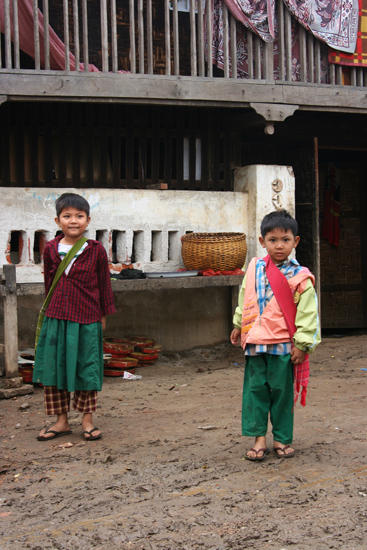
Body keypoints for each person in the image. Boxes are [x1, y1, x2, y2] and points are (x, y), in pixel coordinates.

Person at [230, 210, 320, 461]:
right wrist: (238, 323)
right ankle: (258, 438)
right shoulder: (254, 268)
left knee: (282, 394)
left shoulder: (301, 276)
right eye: (272, 240)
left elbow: (308, 313)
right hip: (255, 344)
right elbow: (244, 296)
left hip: (283, 346)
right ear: (262, 242)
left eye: (285, 239)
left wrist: (303, 344)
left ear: (296, 241)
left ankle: (281, 438)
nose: (279, 245)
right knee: (255, 392)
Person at [33, 193, 116, 441]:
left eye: (79, 216)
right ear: (57, 221)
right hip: (57, 316)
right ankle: (61, 421)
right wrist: (50, 312)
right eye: (67, 216)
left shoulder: (96, 250)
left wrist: (103, 315)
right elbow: (49, 283)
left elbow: (104, 284)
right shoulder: (49, 249)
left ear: (87, 220)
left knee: (86, 367)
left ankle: (87, 421)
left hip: (87, 317)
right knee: (55, 369)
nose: (73, 221)